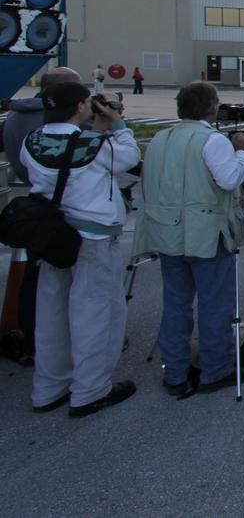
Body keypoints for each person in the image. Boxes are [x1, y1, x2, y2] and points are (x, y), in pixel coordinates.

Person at [21, 82, 140, 416]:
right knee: (95, 314)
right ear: (81, 106)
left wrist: (98, 127)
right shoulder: (92, 144)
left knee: (52, 314)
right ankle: (90, 390)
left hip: (52, 235)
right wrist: (117, 122)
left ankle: (48, 388)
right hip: (92, 238)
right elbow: (128, 157)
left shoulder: (33, 141)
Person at [133, 82, 244, 395]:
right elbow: (229, 179)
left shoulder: (161, 138)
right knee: (215, 304)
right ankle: (216, 369)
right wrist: (242, 152)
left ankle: (175, 372)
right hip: (204, 233)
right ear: (213, 108)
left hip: (168, 231)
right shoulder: (211, 140)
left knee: (175, 304)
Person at [0, 67, 82, 361]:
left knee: (35, 279)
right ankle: (61, 347)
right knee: (64, 285)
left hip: (33, 202)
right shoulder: (57, 125)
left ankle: (30, 338)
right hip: (65, 211)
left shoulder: (14, 116)